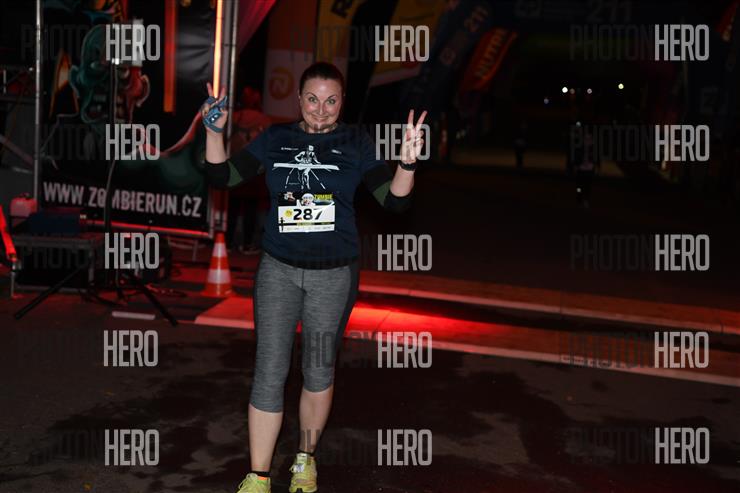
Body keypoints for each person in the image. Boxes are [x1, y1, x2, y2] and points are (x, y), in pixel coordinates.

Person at [202, 62, 427, 493]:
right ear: (299, 99)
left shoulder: (356, 142)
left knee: (317, 371)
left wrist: (408, 162)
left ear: (342, 102)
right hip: (278, 271)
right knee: (269, 371)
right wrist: (214, 131)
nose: (321, 110)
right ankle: (258, 476)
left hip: (332, 275)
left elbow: (394, 201)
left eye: (331, 101)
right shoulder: (276, 138)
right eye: (312, 99)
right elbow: (222, 176)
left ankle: (305, 459)